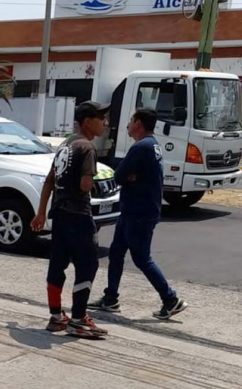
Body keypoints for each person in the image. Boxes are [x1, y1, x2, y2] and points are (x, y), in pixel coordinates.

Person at [88, 108, 187, 320]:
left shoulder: (141, 147)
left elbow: (120, 175)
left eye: (131, 121)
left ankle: (170, 299)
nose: (128, 125)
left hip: (139, 212)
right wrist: (129, 176)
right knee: (116, 253)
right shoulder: (152, 145)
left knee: (142, 258)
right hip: (133, 210)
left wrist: (128, 176)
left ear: (139, 124)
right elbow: (127, 175)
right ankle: (111, 297)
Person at [31, 101, 110, 338]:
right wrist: (94, 185)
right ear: (87, 122)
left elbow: (49, 181)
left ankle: (56, 317)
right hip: (78, 215)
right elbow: (85, 184)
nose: (104, 123)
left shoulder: (66, 144)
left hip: (60, 214)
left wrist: (41, 212)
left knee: (58, 264)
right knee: (88, 264)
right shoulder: (87, 148)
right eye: (101, 118)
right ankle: (78, 319)